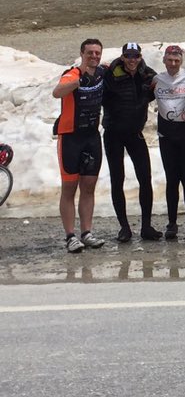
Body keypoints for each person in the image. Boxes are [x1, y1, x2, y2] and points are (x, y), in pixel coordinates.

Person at [52, 39, 107, 252]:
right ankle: (70, 236)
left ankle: (87, 232)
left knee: (89, 187)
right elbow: (57, 92)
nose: (94, 56)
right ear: (82, 53)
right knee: (69, 188)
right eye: (90, 53)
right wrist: (76, 83)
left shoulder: (102, 72)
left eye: (97, 53)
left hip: (92, 136)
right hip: (70, 137)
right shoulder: (73, 73)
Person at [102, 42, 159, 242]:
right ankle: (124, 228)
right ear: (123, 57)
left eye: (135, 56)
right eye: (128, 56)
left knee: (145, 178)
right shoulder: (110, 73)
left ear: (140, 57)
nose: (132, 60)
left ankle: (146, 226)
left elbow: (162, 85)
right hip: (113, 133)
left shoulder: (147, 74)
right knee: (117, 179)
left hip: (135, 133)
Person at [152, 45, 185, 239]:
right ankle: (172, 223)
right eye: (170, 60)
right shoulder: (157, 79)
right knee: (172, 179)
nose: (173, 64)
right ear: (164, 60)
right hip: (167, 136)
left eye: (177, 61)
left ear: (181, 61)